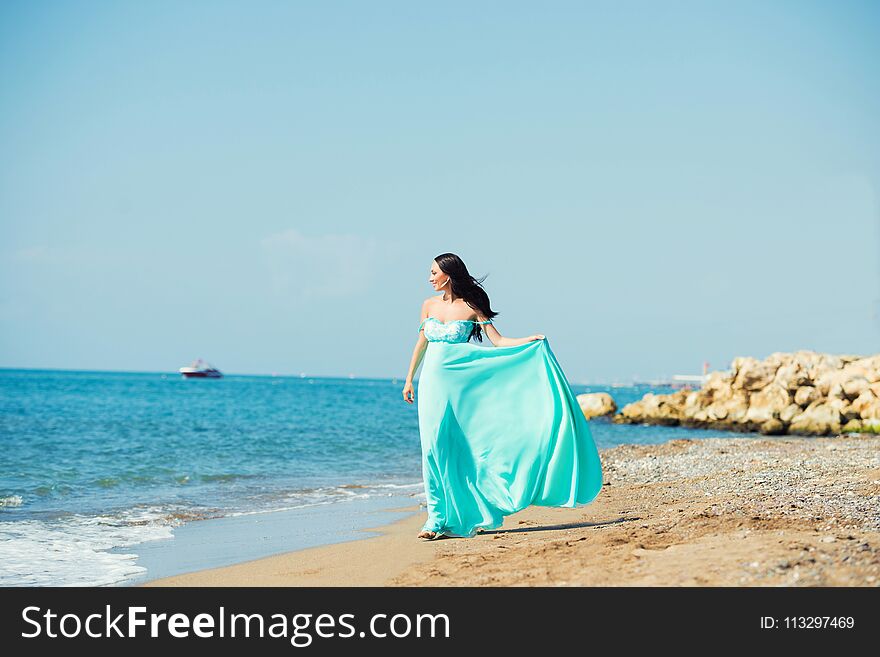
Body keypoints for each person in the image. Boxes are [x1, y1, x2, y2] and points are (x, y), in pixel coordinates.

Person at [402, 253, 604, 540]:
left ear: (448, 274)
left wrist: (529, 342)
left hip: (462, 387)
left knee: (459, 446)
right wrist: (409, 379)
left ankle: (462, 513)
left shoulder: (472, 306)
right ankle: (435, 518)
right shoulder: (428, 305)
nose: (430, 277)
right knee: (433, 448)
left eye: (434, 272)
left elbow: (498, 341)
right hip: (432, 385)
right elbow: (421, 344)